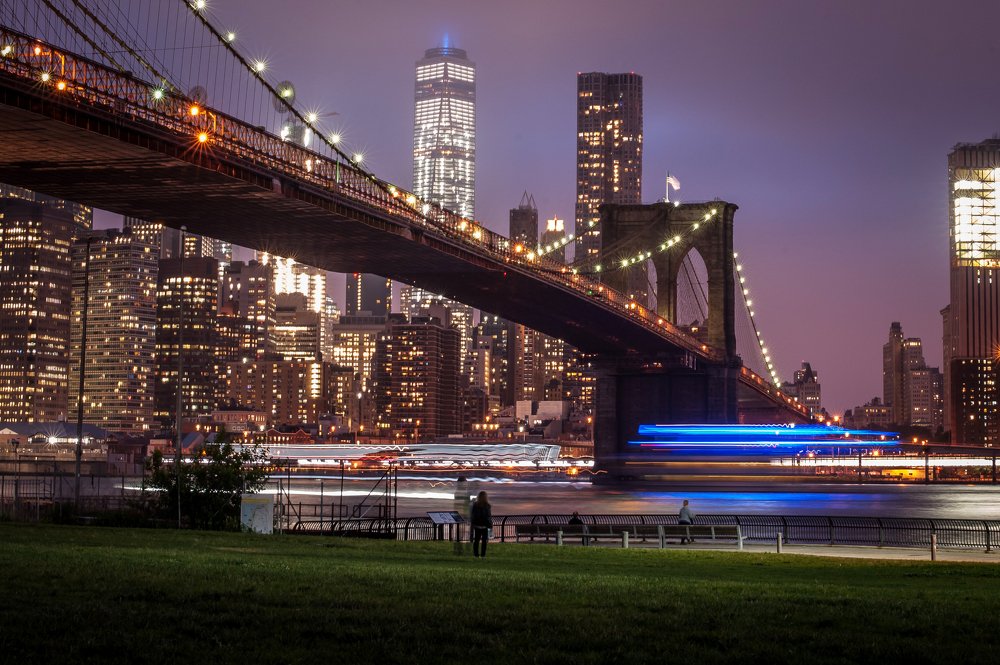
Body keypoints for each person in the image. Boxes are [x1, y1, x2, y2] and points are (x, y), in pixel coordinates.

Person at [470, 490, 493, 558]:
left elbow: (473, 515)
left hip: (477, 525)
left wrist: (472, 524)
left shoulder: (475, 505)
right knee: (484, 541)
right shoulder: (487, 505)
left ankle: (476, 555)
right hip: (484, 526)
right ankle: (483, 555)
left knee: (476, 541)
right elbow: (489, 516)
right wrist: (490, 524)